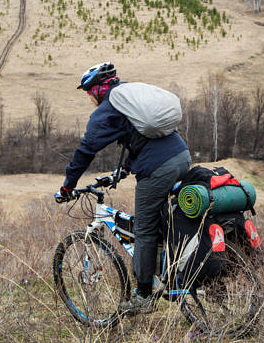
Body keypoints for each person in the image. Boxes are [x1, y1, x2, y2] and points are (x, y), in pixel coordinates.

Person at [54, 62, 191, 315]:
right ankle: (173, 270)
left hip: (158, 168)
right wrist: (126, 168)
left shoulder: (106, 110)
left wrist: (67, 187)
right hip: (181, 156)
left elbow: (86, 151)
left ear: (97, 90)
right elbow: (141, 138)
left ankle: (143, 296)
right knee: (163, 220)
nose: (89, 98)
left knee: (144, 228)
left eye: (88, 92)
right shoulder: (130, 97)